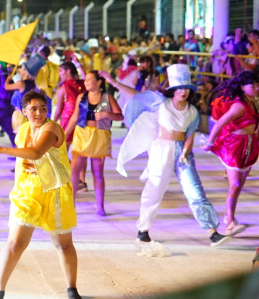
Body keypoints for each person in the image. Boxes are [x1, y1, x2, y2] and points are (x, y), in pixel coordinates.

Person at [117, 64, 231, 247]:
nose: (183, 92)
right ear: (174, 90)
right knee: (154, 189)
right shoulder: (161, 104)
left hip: (183, 153)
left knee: (195, 190)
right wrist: (111, 81)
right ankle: (143, 230)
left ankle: (212, 232)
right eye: (180, 89)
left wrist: (185, 152)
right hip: (161, 150)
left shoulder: (193, 111)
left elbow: (190, 135)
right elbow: (136, 96)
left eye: (186, 89)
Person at [0, 91, 81, 299]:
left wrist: (1, 149)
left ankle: (72, 289)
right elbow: (26, 159)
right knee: (15, 243)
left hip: (54, 193)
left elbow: (36, 152)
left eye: (43, 108)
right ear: (24, 111)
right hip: (27, 191)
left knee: (63, 245)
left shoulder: (52, 129)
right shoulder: (24, 129)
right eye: (34, 109)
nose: (39, 113)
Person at [204, 71, 259, 235]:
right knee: (234, 185)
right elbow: (220, 122)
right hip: (234, 147)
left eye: (258, 85)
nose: (257, 88)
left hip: (249, 147)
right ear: (243, 87)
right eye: (253, 85)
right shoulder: (239, 105)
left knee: (239, 186)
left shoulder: (254, 103)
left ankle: (230, 216)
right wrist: (210, 142)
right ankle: (229, 221)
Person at [65, 71, 123, 216]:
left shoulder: (107, 98)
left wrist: (107, 115)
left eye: (90, 80)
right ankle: (70, 204)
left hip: (99, 136)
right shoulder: (81, 97)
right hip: (82, 134)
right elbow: (74, 117)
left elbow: (120, 115)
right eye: (86, 80)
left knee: (97, 173)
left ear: (99, 82)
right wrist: (64, 135)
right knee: (74, 171)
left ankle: (100, 206)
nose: (87, 82)